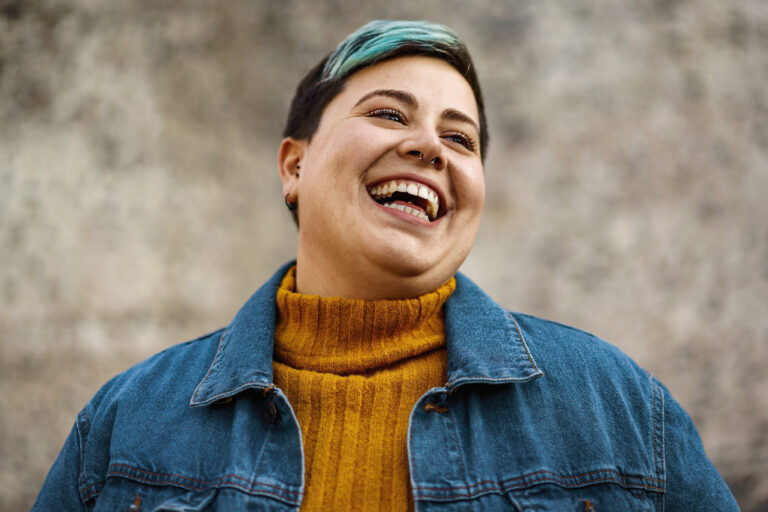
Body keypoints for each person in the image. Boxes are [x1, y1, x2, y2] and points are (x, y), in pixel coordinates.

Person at [34, 20, 738, 511]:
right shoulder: (129, 423)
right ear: (295, 165)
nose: (431, 147)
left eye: (459, 138)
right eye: (392, 116)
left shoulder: (616, 408)